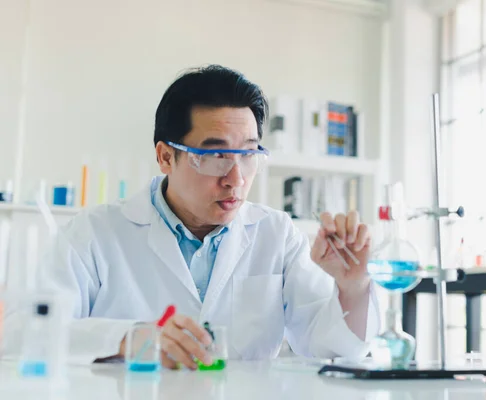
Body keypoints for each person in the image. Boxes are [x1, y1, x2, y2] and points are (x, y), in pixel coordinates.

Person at [3, 65, 379, 369]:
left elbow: (329, 351)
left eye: (248, 155)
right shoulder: (94, 233)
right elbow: (23, 334)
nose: (236, 178)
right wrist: (127, 339)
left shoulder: (277, 233)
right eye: (215, 156)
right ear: (167, 156)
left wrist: (353, 287)